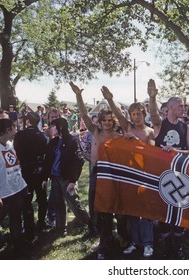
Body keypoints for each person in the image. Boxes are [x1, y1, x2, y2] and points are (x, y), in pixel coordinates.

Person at [100, 86, 156, 258]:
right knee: (131, 210)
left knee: (145, 212)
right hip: (127, 174)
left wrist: (137, 141)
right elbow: (118, 114)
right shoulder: (127, 127)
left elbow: (152, 152)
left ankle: (148, 243)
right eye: (133, 114)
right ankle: (134, 241)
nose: (136, 117)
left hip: (144, 175)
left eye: (139, 113)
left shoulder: (150, 131)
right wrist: (110, 99)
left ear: (144, 114)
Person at [70, 81, 122, 260]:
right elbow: (83, 114)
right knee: (96, 210)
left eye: (110, 120)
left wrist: (111, 100)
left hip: (111, 176)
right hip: (95, 174)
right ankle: (105, 238)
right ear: (99, 122)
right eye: (104, 120)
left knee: (109, 209)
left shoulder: (118, 136)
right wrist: (78, 95)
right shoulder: (95, 132)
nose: (107, 123)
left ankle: (110, 240)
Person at [147, 79, 189, 259]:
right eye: (181, 106)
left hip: (180, 175)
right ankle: (164, 244)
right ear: (171, 108)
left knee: (178, 208)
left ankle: (177, 246)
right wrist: (153, 97)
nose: (184, 108)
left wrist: (177, 151)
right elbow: (152, 114)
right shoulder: (160, 124)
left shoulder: (185, 127)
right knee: (163, 209)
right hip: (161, 174)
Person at [40, 118, 94, 237]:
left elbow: (78, 162)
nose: (51, 129)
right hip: (55, 178)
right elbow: (48, 161)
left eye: (53, 126)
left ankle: (90, 224)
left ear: (60, 127)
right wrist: (44, 178)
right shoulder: (53, 142)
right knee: (58, 204)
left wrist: (73, 181)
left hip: (66, 179)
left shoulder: (72, 140)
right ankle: (61, 228)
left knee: (74, 203)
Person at [0, 119, 28, 259]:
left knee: (16, 219)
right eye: (14, 128)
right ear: (7, 130)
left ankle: (18, 249)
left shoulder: (10, 144)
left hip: (16, 190)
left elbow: (14, 165)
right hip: (2, 194)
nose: (16, 131)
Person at [13, 112, 48, 239]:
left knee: (27, 200)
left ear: (27, 122)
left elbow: (16, 151)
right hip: (39, 170)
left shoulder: (19, 135)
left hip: (25, 170)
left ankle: (29, 228)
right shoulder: (42, 136)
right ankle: (41, 223)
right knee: (42, 198)